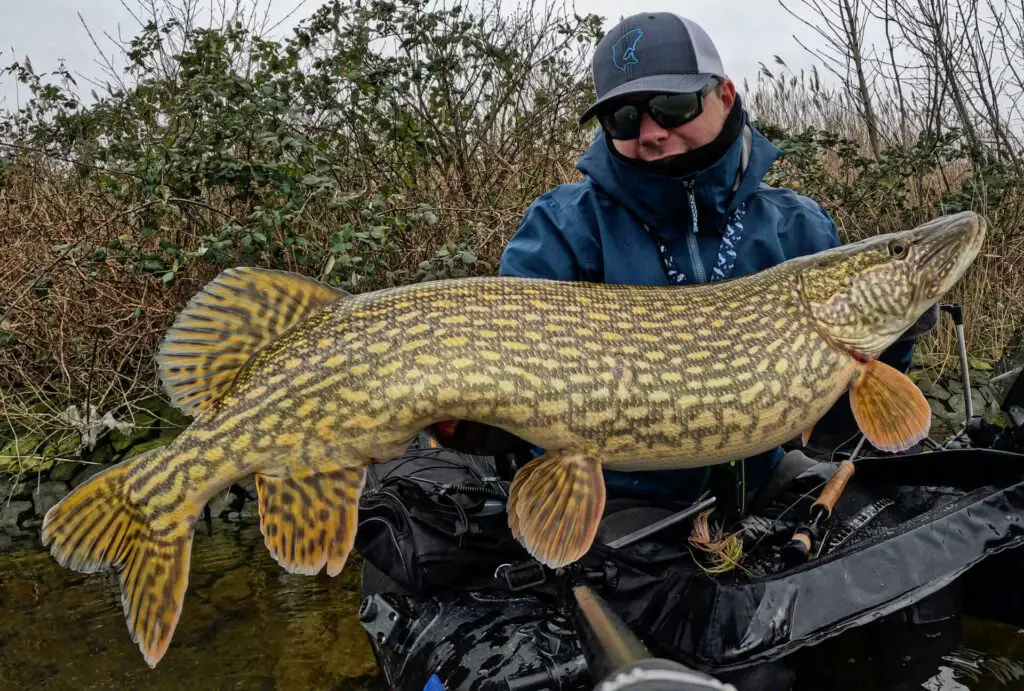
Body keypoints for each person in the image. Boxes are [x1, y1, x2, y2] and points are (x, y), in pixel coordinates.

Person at [432, 12, 922, 510]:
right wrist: (475, 430)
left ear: (724, 95)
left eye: (672, 105)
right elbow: (513, 392)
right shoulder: (563, 227)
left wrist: (898, 335)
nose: (650, 132)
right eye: (622, 118)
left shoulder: (798, 227)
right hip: (615, 501)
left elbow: (837, 425)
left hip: (763, 489)